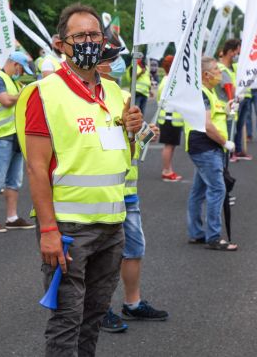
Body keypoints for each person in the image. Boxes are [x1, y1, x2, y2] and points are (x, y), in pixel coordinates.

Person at [16, 4, 143, 355]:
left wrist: (132, 134)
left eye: (95, 35)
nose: (89, 42)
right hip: (70, 229)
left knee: (94, 316)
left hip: (112, 225)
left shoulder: (115, 93)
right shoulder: (44, 93)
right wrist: (48, 231)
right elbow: (36, 169)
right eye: (80, 36)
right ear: (61, 44)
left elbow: (123, 158)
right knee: (66, 320)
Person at [96, 47, 168, 333]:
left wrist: (144, 133)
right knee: (102, 255)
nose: (116, 65)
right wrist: (129, 132)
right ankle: (99, 309)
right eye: (110, 61)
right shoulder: (86, 100)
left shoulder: (123, 97)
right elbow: (98, 142)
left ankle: (133, 303)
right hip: (101, 193)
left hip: (128, 191)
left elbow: (131, 146)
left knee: (134, 249)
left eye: (116, 60)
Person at [184, 57, 238, 251]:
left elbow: (213, 114)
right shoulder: (202, 94)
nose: (220, 73)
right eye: (216, 70)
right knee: (217, 189)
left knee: (198, 191)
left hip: (206, 147)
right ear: (206, 75)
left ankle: (196, 232)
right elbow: (207, 125)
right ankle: (213, 237)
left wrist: (227, 108)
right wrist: (226, 142)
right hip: (206, 147)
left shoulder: (208, 92)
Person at [0, 51, 35, 232]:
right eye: (21, 69)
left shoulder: (12, 80)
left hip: (14, 137)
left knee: (14, 181)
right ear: (14, 64)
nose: (21, 72)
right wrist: (22, 95)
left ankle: (12, 218)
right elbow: (5, 100)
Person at [157, 55, 184, 182]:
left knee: (170, 145)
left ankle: (168, 169)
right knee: (169, 146)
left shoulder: (166, 80)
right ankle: (166, 171)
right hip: (171, 119)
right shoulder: (171, 82)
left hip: (169, 118)